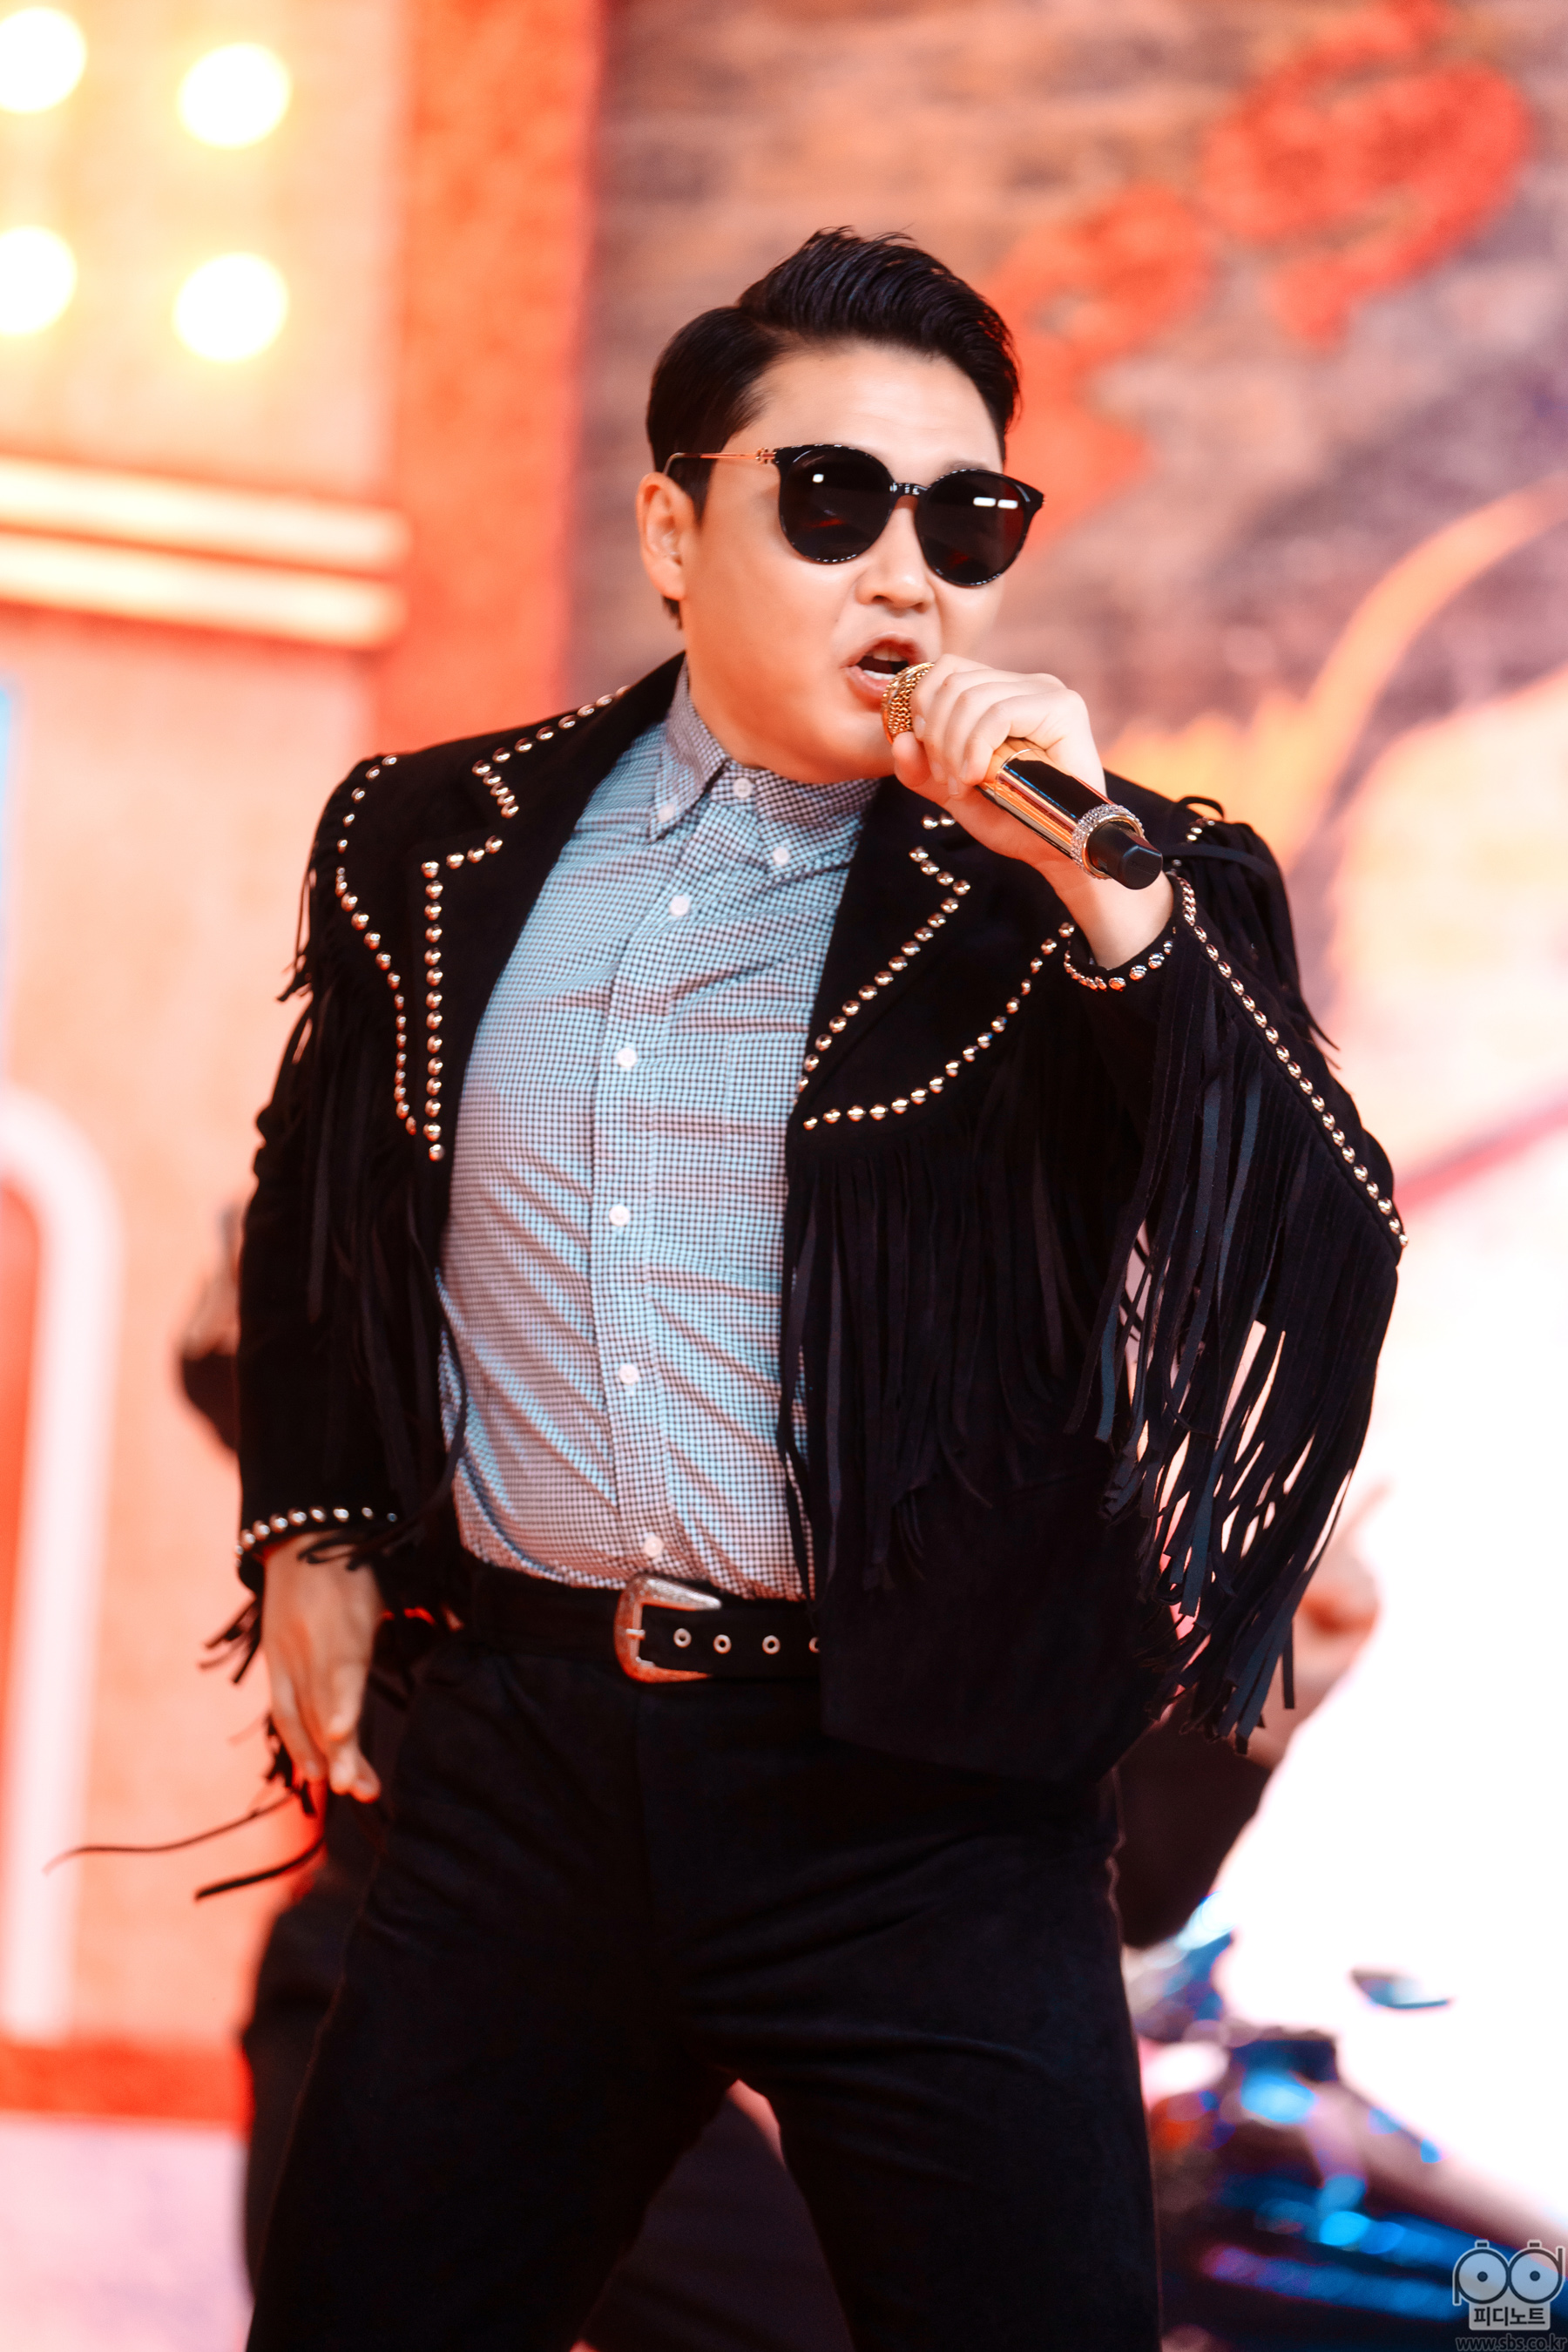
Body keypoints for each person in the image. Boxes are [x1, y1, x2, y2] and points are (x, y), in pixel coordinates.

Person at [235, 230, 1399, 2350]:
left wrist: (1107, 896)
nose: (906, 576)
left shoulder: (1086, 880)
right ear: (674, 530)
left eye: (966, 523)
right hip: (526, 1765)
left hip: (918, 1805)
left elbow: (1314, 1231)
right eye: (835, 500)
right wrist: (310, 1525)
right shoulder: (429, 839)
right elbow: (323, 1180)